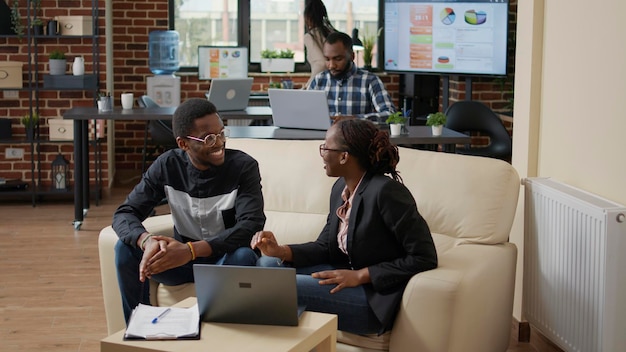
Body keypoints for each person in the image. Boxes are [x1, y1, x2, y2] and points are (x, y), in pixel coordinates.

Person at [251, 118, 437, 335]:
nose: (321, 153)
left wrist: (361, 275)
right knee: (267, 263)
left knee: (281, 286)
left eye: (325, 147)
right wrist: (280, 251)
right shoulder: (340, 188)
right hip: (344, 275)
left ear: (344, 156)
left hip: (372, 296)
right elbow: (324, 246)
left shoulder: (386, 192)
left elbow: (424, 257)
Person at [113, 98, 265, 323]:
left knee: (244, 255)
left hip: (225, 260)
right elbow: (125, 213)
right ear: (183, 144)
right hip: (180, 264)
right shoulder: (167, 166)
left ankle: (222, 337)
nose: (219, 143)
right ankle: (139, 330)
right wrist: (146, 241)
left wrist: (191, 250)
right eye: (208, 138)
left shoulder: (243, 167)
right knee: (125, 249)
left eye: (221, 133)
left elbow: (250, 226)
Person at [308, 31, 397, 123]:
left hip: (357, 137)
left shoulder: (370, 81)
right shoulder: (318, 81)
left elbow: (391, 115)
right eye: (327, 59)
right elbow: (306, 113)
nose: (331, 66)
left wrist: (354, 119)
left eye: (338, 59)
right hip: (323, 137)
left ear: (352, 56)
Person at [303, 0, 336, 88]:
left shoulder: (310, 36)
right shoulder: (333, 33)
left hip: (321, 85)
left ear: (308, 17)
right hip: (337, 84)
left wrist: (309, 85)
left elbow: (320, 63)